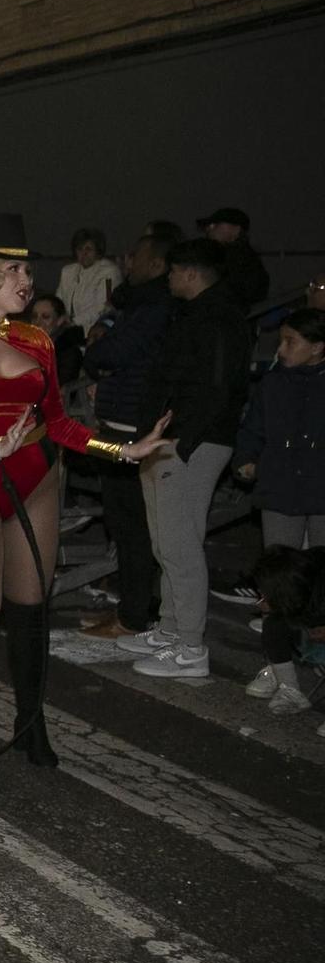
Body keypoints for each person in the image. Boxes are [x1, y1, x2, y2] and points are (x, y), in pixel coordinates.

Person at [0, 214, 171, 775]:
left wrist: (118, 452)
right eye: (12, 268)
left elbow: (58, 423)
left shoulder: (36, 340)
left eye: (27, 267)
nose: (26, 279)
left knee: (31, 613)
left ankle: (31, 724)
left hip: (39, 478)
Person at [117, 239, 251, 680]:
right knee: (165, 543)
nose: (168, 278)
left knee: (180, 545)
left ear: (191, 274)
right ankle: (172, 630)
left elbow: (215, 386)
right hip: (169, 438)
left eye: (173, 271)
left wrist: (184, 440)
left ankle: (191, 646)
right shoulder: (194, 314)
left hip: (190, 442)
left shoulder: (219, 318)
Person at [80, 232, 178, 637]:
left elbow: (108, 352)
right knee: (126, 526)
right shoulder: (136, 305)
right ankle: (134, 610)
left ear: (156, 264)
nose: (127, 261)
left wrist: (102, 346)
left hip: (134, 426)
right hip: (121, 422)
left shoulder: (154, 308)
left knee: (135, 528)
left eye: (134, 255)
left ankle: (135, 615)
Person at [233, 308, 324, 550]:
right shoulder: (273, 384)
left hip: (319, 485)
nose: (281, 350)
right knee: (279, 566)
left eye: (290, 342)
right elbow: (253, 428)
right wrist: (245, 460)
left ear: (317, 347)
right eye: (281, 341)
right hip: (279, 487)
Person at [244, 546, 324, 719]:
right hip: (307, 605)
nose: (261, 596)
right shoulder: (296, 577)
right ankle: (290, 690)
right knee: (274, 623)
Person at [197, 207, 269, 309]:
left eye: (215, 224)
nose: (209, 228)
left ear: (236, 229)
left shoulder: (240, 257)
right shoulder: (227, 255)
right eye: (209, 225)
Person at [56, 229, 121, 332]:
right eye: (80, 249)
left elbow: (101, 308)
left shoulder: (109, 271)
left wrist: (73, 322)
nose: (84, 253)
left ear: (97, 250)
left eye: (88, 249)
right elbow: (58, 301)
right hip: (67, 328)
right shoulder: (67, 271)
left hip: (93, 330)